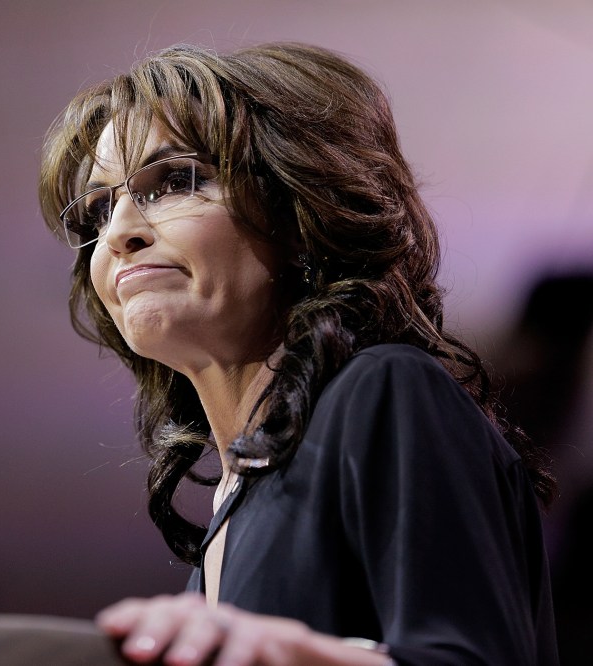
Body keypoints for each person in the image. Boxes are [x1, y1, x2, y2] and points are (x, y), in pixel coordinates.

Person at [38, 42, 558, 665]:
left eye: (176, 180)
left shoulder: (385, 389)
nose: (119, 231)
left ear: (298, 215)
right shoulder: (231, 506)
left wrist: (293, 655)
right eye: (100, 207)